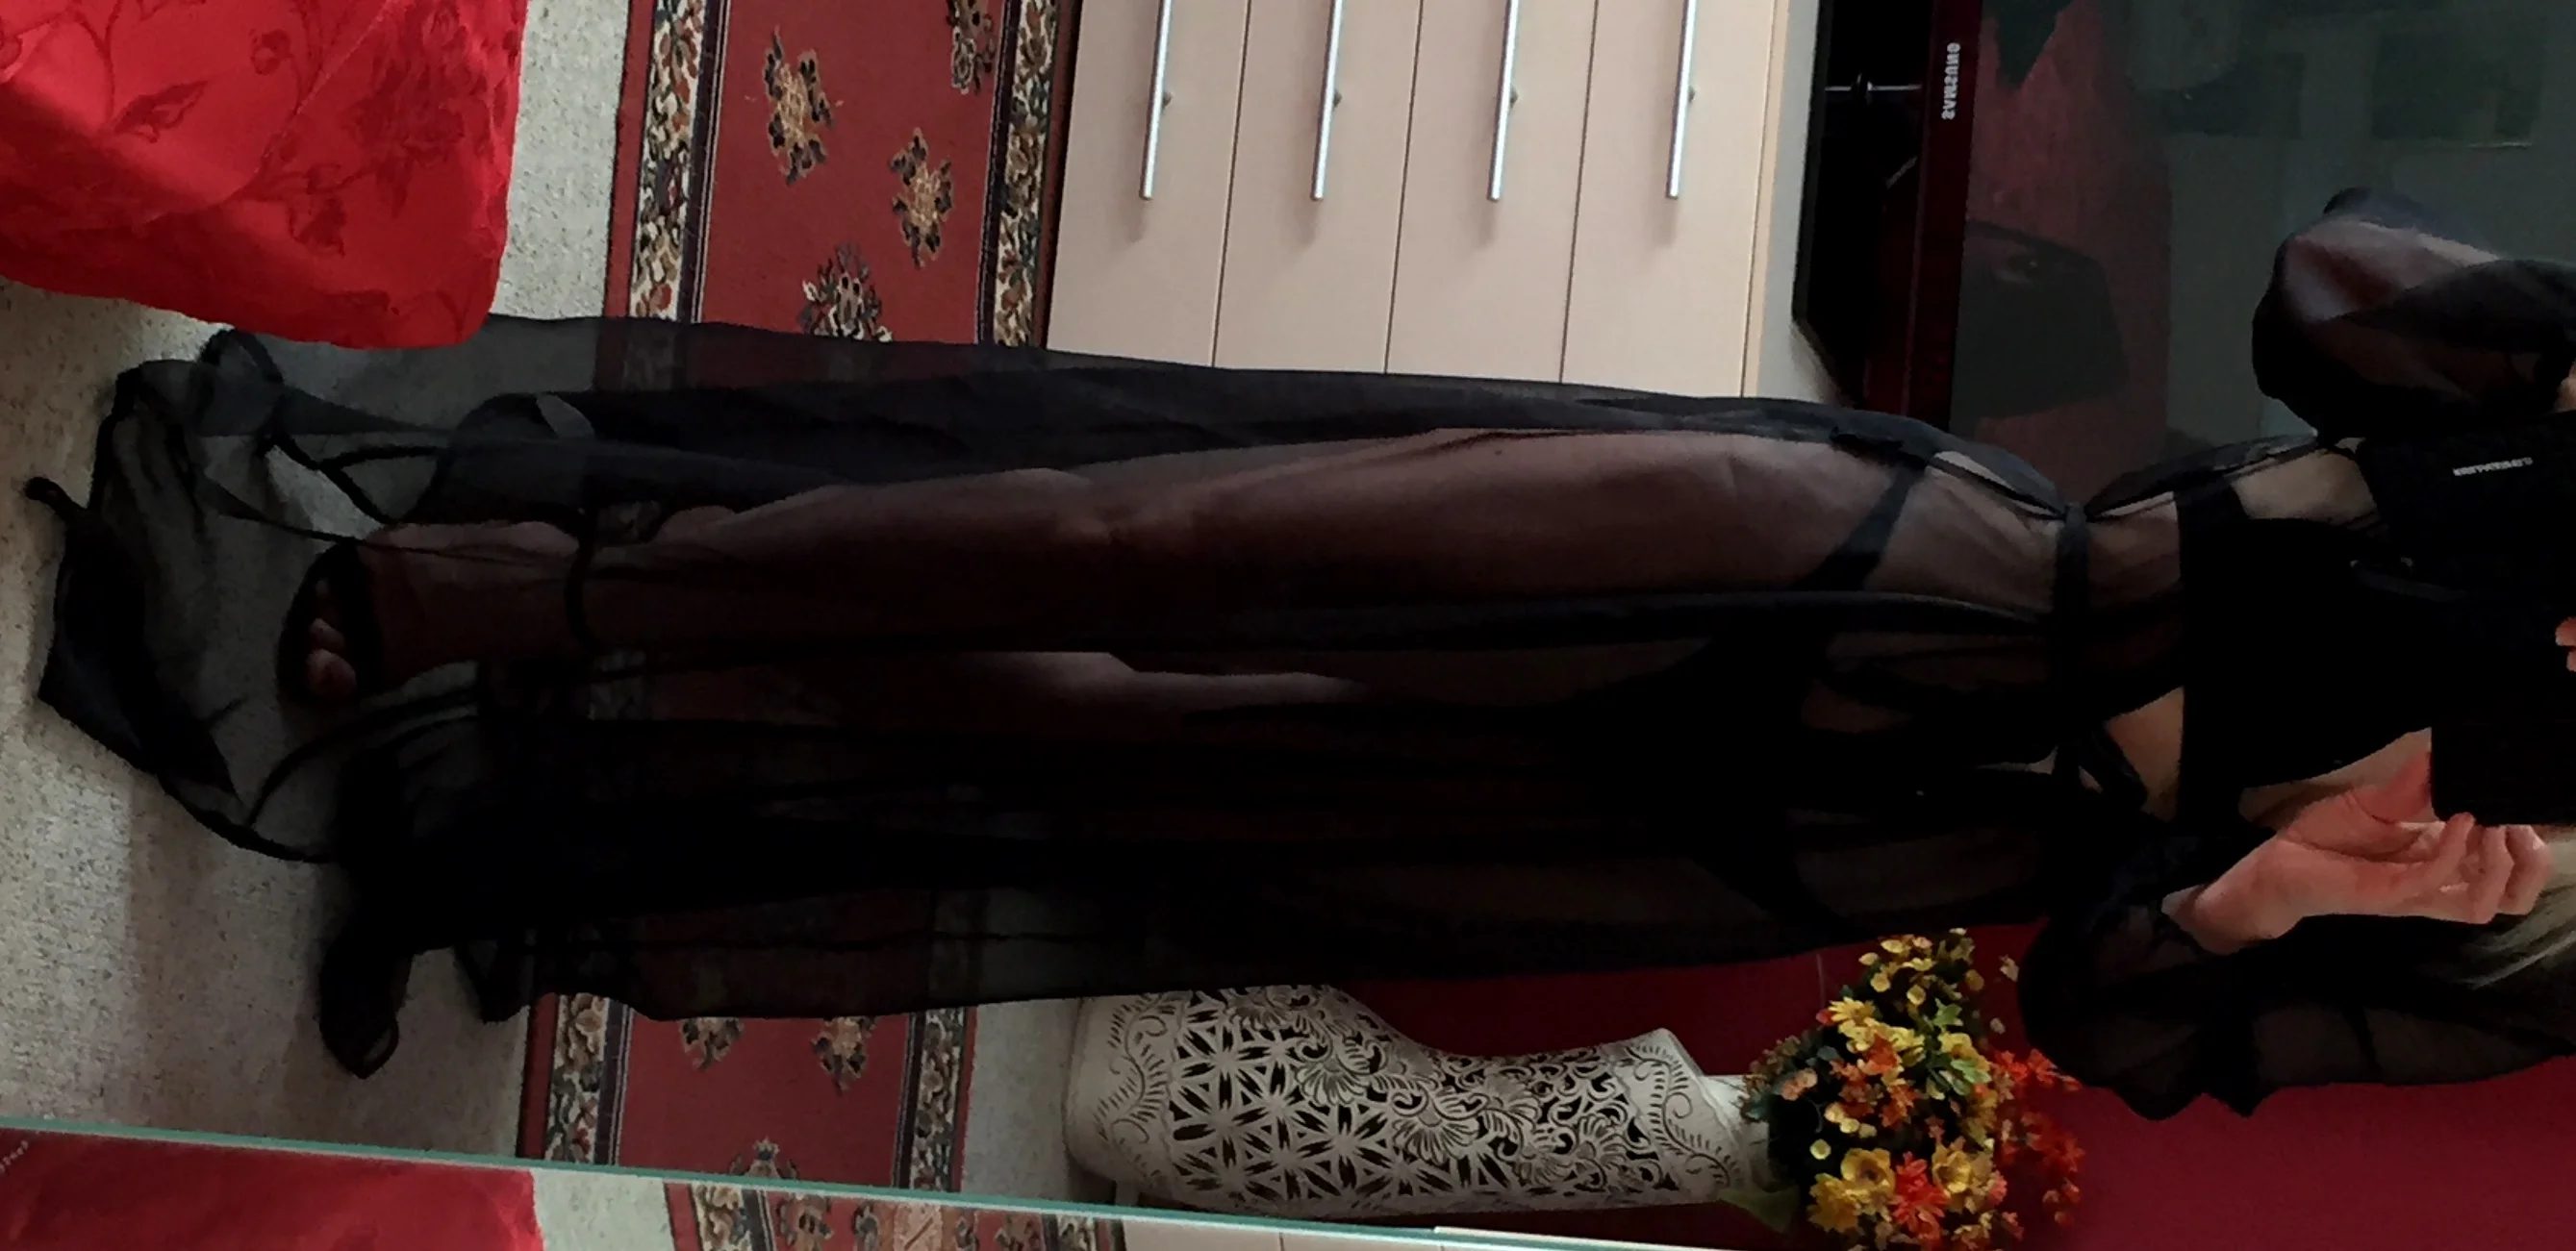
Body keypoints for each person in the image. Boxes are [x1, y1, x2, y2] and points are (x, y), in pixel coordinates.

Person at [25, 190, 2576, 1117]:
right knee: (1154, 534)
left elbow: (2123, 1021)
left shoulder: (2553, 941)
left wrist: (2274, 900)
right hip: (1906, 574)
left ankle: (522, 802)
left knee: (1127, 764)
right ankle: (505, 586)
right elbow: (2324, 287)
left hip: (1859, 822)